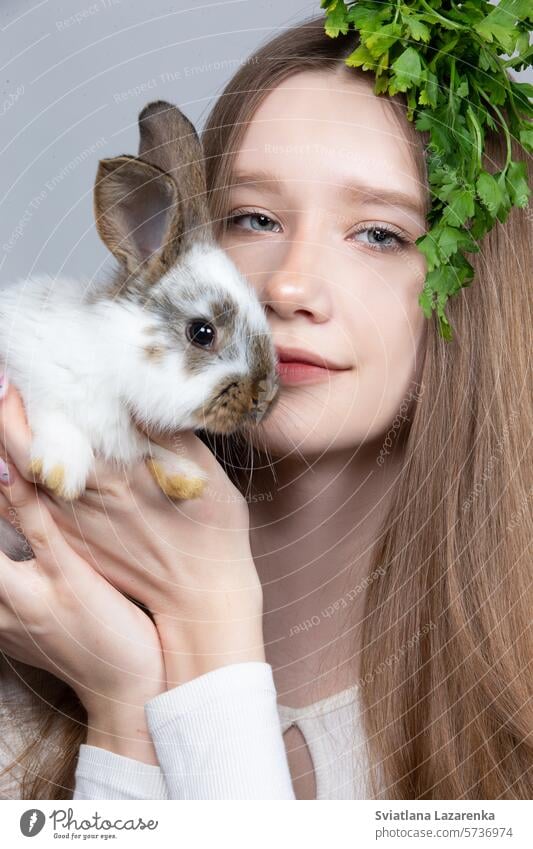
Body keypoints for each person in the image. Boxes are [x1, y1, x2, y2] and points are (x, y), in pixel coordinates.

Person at [0, 15, 531, 801]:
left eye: (378, 233)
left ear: (476, 283)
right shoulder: (25, 653)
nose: (286, 286)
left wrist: (204, 617)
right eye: (255, 219)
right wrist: (120, 696)